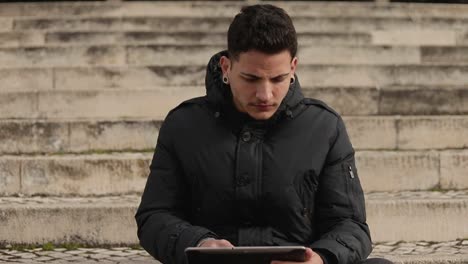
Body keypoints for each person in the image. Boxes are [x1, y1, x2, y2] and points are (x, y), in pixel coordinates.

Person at [135, 4, 393, 264]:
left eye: (278, 79)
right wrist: (200, 243)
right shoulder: (184, 125)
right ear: (226, 67)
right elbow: (154, 215)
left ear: (293, 67)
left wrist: (321, 258)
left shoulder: (325, 127)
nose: (265, 95)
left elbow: (350, 224)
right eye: (250, 79)